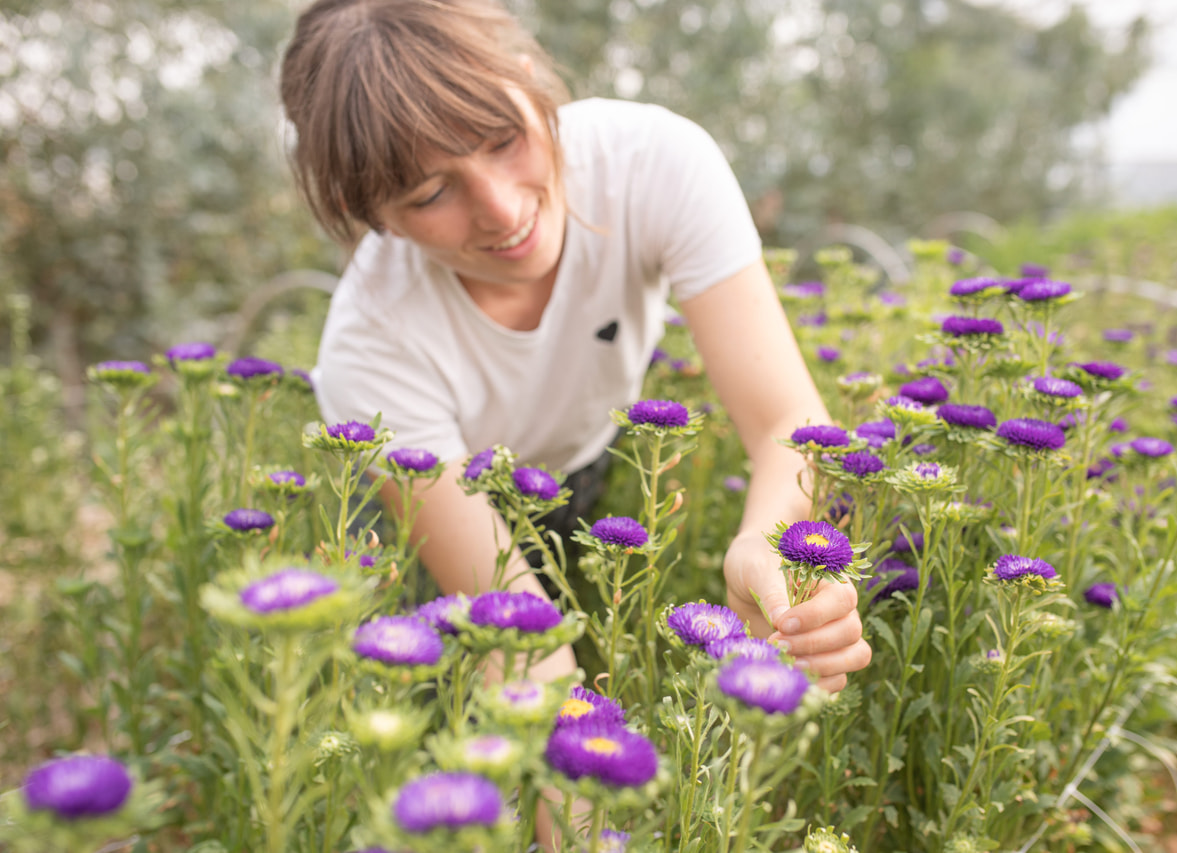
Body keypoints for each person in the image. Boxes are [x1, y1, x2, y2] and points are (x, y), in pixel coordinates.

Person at [280, 0, 871, 693]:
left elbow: (790, 425)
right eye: (433, 193)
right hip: (427, 513)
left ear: (530, 82)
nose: (502, 209)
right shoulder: (368, 344)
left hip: (580, 471)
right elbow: (526, 653)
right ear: (366, 213)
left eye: (504, 139)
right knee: (439, 695)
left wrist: (764, 547)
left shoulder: (653, 163)